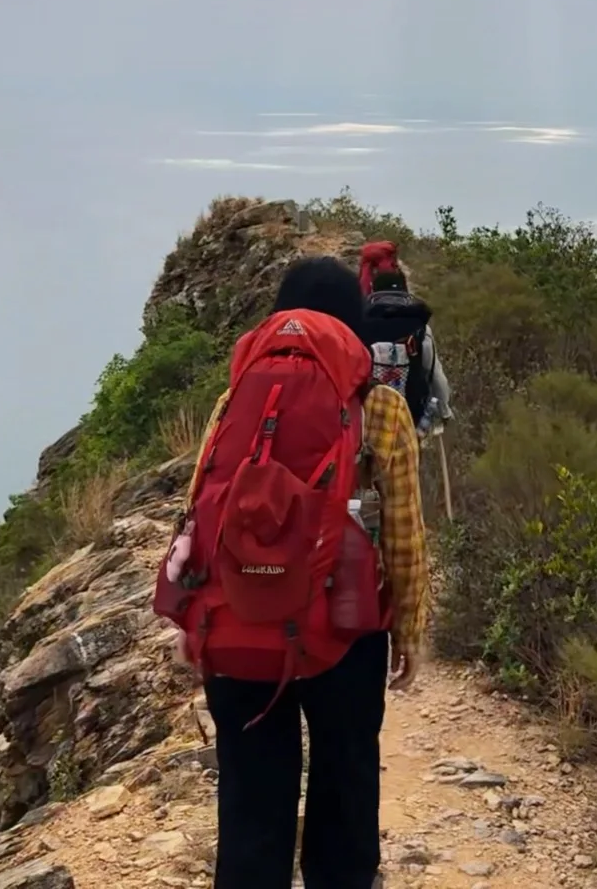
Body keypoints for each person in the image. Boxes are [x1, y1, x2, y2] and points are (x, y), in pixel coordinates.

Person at [158, 256, 428, 889]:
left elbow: (201, 506)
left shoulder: (236, 396)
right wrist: (410, 632)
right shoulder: (381, 406)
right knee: (346, 781)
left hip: (239, 624)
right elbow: (408, 536)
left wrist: (189, 616)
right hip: (345, 633)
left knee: (251, 797)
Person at [359, 241, 453, 438]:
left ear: (374, 292)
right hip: (409, 418)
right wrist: (444, 412)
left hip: (368, 417)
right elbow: (435, 375)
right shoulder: (420, 328)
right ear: (405, 292)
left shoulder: (360, 324)